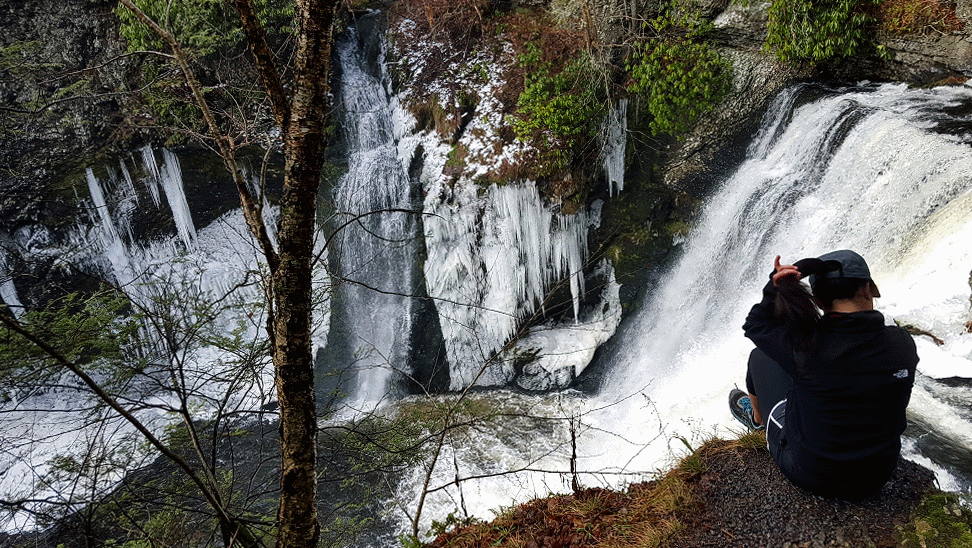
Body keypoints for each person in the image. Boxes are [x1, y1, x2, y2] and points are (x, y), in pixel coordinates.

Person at [729, 250, 918, 500]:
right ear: (868, 289)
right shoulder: (902, 343)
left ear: (818, 301)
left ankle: (758, 421)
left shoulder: (805, 347)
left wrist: (776, 284)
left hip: (812, 474)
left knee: (761, 357)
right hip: (877, 475)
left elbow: (755, 325)